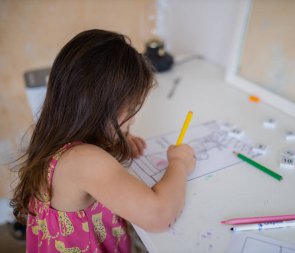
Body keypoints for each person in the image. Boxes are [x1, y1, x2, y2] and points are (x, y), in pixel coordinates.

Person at [10, 29, 196, 253]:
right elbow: (159, 216)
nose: (134, 119)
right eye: (130, 110)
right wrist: (179, 163)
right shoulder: (84, 161)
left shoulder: (54, 133)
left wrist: (119, 138)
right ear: (100, 111)